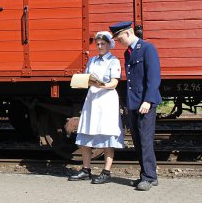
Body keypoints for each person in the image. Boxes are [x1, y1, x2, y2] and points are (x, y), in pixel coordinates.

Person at [109, 21, 162, 191]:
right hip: (134, 102)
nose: (118, 42)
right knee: (138, 141)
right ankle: (148, 176)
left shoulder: (148, 48)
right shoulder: (128, 53)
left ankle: (148, 177)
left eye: (119, 38)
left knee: (145, 140)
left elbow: (154, 78)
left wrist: (148, 100)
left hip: (145, 102)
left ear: (127, 33)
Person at [68, 31, 124, 184]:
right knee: (86, 132)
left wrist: (103, 84)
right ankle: (86, 170)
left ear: (109, 44)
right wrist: (83, 81)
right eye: (98, 44)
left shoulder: (114, 61)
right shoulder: (92, 60)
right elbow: (87, 78)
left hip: (106, 99)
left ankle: (106, 172)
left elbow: (115, 82)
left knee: (107, 135)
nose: (99, 46)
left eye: (102, 44)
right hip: (92, 99)